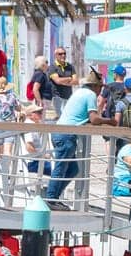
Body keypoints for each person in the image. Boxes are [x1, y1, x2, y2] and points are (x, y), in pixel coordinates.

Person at [45, 71, 111, 203]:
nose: (100, 91)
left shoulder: (79, 92)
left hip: (60, 132)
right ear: (95, 86)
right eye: (100, 87)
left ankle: (53, 197)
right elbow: (94, 118)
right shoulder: (90, 94)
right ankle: (51, 198)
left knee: (72, 169)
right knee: (61, 167)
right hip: (66, 135)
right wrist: (110, 121)